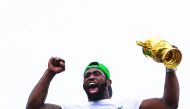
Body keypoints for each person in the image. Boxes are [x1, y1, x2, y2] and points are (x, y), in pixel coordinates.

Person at [26, 57, 179, 109]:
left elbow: (169, 105)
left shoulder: (129, 104)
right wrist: (50, 73)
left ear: (108, 81)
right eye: (87, 76)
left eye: (96, 74)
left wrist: (170, 68)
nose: (90, 77)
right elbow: (34, 108)